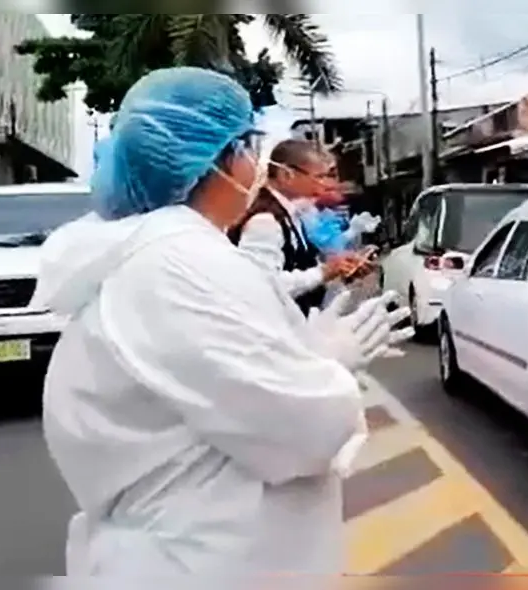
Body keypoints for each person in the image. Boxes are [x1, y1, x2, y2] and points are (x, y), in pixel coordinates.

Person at [30, 67, 412, 576]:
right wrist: (328, 366)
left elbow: (227, 382)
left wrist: (296, 352)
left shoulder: (165, 257)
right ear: (216, 160)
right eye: (247, 147)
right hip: (200, 562)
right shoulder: (178, 265)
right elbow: (301, 431)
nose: (254, 163)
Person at [228, 140, 376, 316]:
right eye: (319, 177)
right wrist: (324, 271)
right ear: (286, 175)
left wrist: (338, 270)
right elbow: (263, 286)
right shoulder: (265, 222)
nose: (325, 185)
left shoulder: (292, 217)